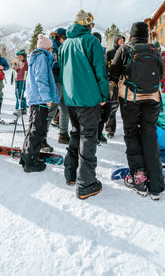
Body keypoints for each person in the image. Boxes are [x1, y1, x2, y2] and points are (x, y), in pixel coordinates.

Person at [109, 22, 165, 201]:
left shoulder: (125, 48)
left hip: (130, 98)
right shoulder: (154, 49)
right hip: (153, 98)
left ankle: (139, 180)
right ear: (146, 34)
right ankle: (156, 186)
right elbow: (161, 74)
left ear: (132, 34)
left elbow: (113, 72)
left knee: (132, 133)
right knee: (150, 134)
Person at [59, 10, 109, 200]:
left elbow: (62, 71)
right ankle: (86, 183)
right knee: (89, 136)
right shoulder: (91, 41)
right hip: (88, 98)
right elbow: (100, 70)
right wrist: (104, 94)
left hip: (71, 98)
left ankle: (70, 173)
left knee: (76, 132)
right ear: (88, 25)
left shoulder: (65, 45)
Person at [20, 34, 60, 173]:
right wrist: (46, 97)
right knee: (38, 129)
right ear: (47, 48)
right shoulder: (42, 57)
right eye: (51, 49)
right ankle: (30, 162)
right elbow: (41, 79)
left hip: (35, 98)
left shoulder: (37, 57)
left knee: (33, 127)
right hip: (39, 98)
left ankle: (25, 157)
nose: (52, 51)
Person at [46, 28, 70, 147]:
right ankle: (42, 137)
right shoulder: (52, 47)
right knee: (52, 110)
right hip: (55, 81)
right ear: (61, 37)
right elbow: (52, 64)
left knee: (65, 109)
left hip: (62, 81)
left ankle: (63, 134)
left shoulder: (60, 46)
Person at [105, 34, 125, 138]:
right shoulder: (110, 53)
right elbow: (105, 67)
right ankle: (110, 130)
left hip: (124, 83)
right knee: (112, 107)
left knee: (126, 107)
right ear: (115, 41)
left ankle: (128, 128)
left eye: (123, 40)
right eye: (119, 40)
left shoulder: (126, 52)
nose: (121, 42)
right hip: (113, 83)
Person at [12, 50, 28, 116]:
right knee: (17, 94)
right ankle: (22, 108)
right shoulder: (20, 62)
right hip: (18, 79)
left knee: (20, 94)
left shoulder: (26, 62)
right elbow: (19, 71)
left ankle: (20, 108)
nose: (20, 57)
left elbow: (27, 71)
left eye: (21, 56)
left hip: (23, 79)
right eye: (19, 56)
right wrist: (16, 67)